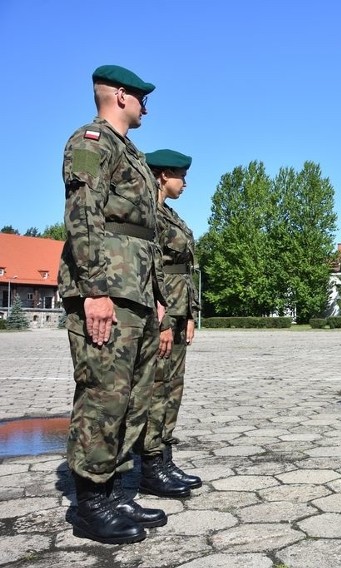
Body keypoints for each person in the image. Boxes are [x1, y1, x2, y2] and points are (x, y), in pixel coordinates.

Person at [60, 65, 173, 544]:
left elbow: (147, 235)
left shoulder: (133, 154)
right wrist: (95, 290)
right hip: (108, 288)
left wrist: (158, 297)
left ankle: (115, 490)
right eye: (142, 98)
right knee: (104, 394)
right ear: (121, 95)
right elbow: (84, 215)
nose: (146, 107)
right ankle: (89, 503)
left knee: (132, 396)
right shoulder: (92, 141)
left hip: (138, 292)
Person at [137, 149, 202, 499]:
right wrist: (161, 317)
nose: (185, 182)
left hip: (177, 312)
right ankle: (150, 464)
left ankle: (164, 457)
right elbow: (150, 269)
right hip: (161, 313)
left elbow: (185, 272)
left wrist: (189, 314)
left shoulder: (169, 214)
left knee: (172, 388)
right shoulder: (148, 213)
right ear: (162, 175)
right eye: (180, 174)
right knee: (156, 389)